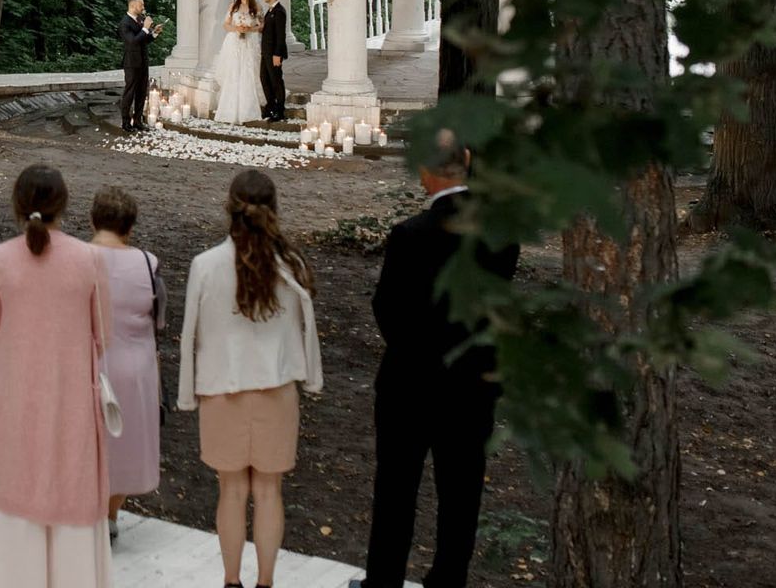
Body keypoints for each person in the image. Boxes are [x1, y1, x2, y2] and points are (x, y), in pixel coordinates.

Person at [354, 137, 521, 588]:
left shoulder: (410, 235)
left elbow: (387, 307)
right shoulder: (500, 236)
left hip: (410, 385)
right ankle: (447, 581)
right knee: (461, 496)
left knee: (395, 493)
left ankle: (383, 581)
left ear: (428, 175)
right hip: (472, 386)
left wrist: (415, 351)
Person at [178, 170, 324, 588]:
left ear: (230, 208)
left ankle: (230, 581)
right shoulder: (291, 267)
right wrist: (311, 377)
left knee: (231, 492)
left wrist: (188, 394)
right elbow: (305, 328)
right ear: (274, 210)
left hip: (221, 390)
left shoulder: (205, 266)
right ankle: (265, 582)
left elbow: (191, 333)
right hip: (276, 390)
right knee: (268, 492)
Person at [0, 165, 112, 587]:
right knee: (71, 490)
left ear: (18, 205)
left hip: (16, 394)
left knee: (18, 495)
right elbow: (102, 334)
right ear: (64, 204)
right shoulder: (89, 258)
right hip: (70, 394)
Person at [89, 186, 165, 540]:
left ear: (93, 220)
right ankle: (110, 515)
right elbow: (159, 317)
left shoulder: (77, 258)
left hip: (88, 364)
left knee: (87, 443)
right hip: (134, 368)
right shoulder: (148, 264)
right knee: (122, 443)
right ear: (130, 227)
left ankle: (88, 513)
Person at [212, 0, 266, 126]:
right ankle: (228, 110)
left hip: (249, 43)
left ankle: (248, 110)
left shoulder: (256, 8)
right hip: (234, 42)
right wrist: (236, 28)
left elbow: (261, 26)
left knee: (248, 72)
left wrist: (249, 29)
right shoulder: (233, 6)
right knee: (234, 73)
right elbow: (225, 24)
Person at [118, 0, 161, 131]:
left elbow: (143, 40)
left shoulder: (139, 20)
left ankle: (137, 121)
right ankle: (125, 122)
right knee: (130, 92)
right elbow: (132, 42)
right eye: (141, 4)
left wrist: (153, 33)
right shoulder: (124, 23)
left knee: (142, 92)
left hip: (143, 61)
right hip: (131, 62)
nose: (143, 7)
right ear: (133, 5)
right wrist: (145, 28)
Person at [260, 0, 289, 122]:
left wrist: (278, 54)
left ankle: (280, 110)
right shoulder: (269, 11)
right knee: (264, 79)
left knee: (276, 80)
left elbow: (280, 35)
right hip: (265, 52)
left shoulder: (279, 11)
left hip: (274, 53)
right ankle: (270, 106)